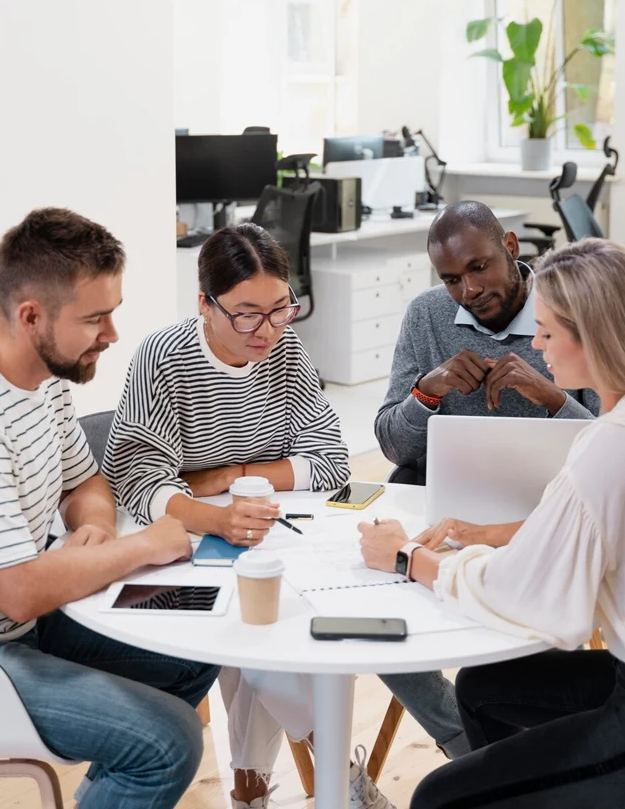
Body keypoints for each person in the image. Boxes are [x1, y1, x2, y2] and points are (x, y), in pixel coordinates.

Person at [103, 223, 466, 809]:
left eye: (280, 310)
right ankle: (336, 773)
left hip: (278, 528)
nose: (267, 331)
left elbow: (330, 460)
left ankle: (254, 791)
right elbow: (138, 477)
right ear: (205, 303)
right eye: (247, 314)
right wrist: (212, 515)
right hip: (190, 538)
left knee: (279, 617)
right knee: (252, 632)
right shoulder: (163, 356)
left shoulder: (286, 350)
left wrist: (223, 477)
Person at [0, 208, 219, 809]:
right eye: (95, 318)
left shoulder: (48, 376)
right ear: (30, 315)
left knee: (203, 638)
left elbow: (86, 482)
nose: (112, 334)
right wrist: (138, 546)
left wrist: (92, 529)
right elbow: (16, 591)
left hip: (23, 619)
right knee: (168, 742)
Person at [360, 237, 625, 808]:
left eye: (545, 330)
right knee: (484, 688)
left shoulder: (614, 442)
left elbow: (530, 595)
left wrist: (405, 557)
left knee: (438, 797)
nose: (536, 345)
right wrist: (484, 534)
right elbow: (589, 529)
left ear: (592, 335)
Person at [375, 201, 599, 488]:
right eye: (452, 280)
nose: (470, 290)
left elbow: (610, 449)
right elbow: (394, 449)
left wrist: (551, 398)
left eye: (479, 267)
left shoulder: (575, 312)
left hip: (550, 500)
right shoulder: (425, 313)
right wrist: (426, 392)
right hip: (448, 499)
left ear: (511, 246)